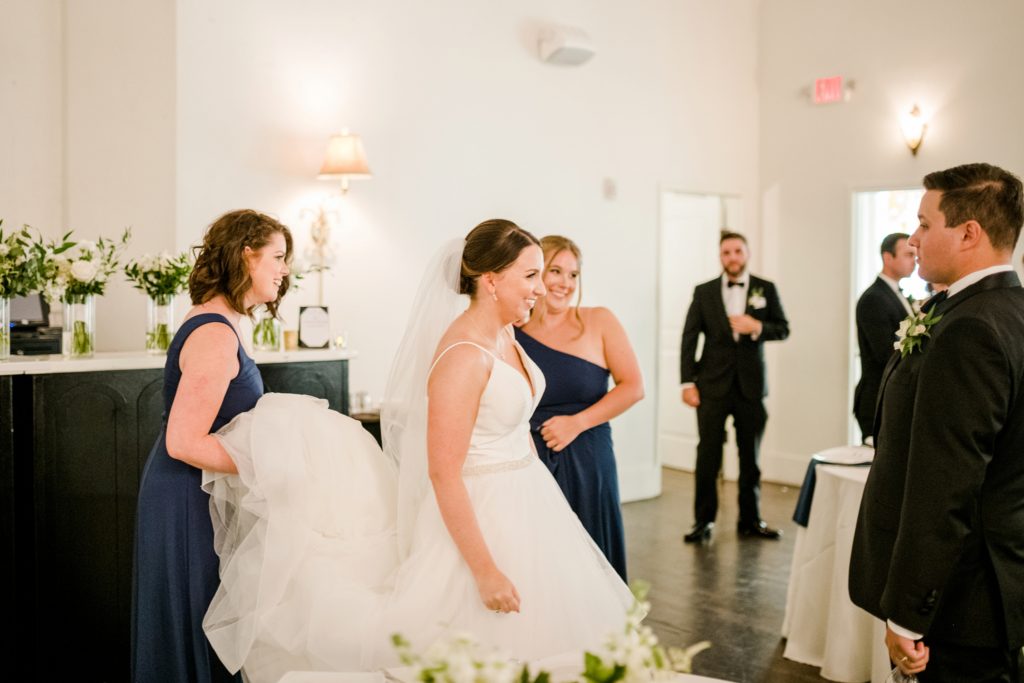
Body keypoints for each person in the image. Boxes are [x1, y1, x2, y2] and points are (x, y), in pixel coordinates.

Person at [200, 220, 634, 682]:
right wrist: (485, 570)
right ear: (491, 280)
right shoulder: (462, 355)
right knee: (477, 648)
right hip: (481, 515)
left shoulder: (506, 335)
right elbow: (443, 472)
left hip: (528, 503)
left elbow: (516, 425)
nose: (541, 289)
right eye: (531, 276)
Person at [849, 163, 1024, 682]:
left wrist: (908, 612)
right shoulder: (1003, 310)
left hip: (959, 602)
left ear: (969, 233)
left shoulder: (971, 329)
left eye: (925, 224)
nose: (913, 238)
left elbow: (945, 486)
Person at [132, 209, 293, 682]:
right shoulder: (214, 333)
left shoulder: (224, 322)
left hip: (199, 491)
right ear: (247, 256)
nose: (285, 269)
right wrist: (266, 463)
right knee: (197, 619)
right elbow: (183, 441)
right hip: (186, 496)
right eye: (278, 257)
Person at [514, 235, 643, 581]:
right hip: (531, 456)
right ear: (536, 273)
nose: (565, 283)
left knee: (592, 548)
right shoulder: (513, 328)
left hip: (588, 453)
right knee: (542, 557)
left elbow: (633, 387)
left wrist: (577, 423)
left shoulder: (599, 321)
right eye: (555, 271)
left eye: (573, 275)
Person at [679, 231, 789, 543]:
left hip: (751, 388)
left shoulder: (766, 288)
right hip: (711, 386)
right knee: (708, 456)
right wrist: (687, 382)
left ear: (747, 254)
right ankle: (703, 522)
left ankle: (750, 520)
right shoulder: (704, 291)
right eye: (726, 252)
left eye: (738, 251)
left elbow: (783, 329)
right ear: (720, 256)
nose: (732, 257)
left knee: (750, 458)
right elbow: (689, 338)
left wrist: (757, 327)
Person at [853, 232, 916, 443]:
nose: (914, 260)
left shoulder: (897, 294)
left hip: (894, 396)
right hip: (877, 399)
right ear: (888, 258)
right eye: (908, 254)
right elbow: (885, 353)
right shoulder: (873, 298)